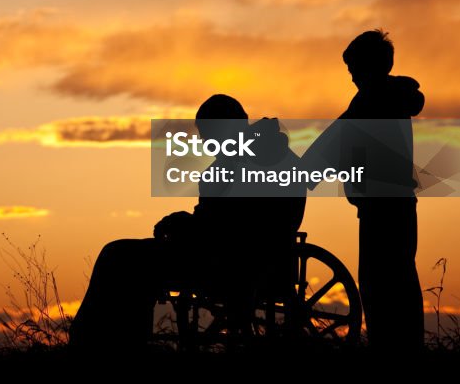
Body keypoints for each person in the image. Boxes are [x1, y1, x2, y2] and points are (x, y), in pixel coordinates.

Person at [68, 94, 305, 350]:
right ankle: (104, 340)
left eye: (207, 134)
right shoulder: (268, 155)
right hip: (243, 256)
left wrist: (182, 224)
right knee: (120, 254)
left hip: (225, 262)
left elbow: (227, 225)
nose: (205, 143)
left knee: (119, 256)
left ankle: (100, 342)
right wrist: (185, 222)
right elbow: (226, 218)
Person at [304, 29, 425, 351]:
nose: (352, 77)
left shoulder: (372, 100)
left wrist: (303, 171)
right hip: (392, 205)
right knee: (399, 281)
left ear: (368, 66)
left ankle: (391, 349)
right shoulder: (387, 97)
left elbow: (336, 140)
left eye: (354, 68)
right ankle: (405, 346)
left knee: (380, 284)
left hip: (381, 207)